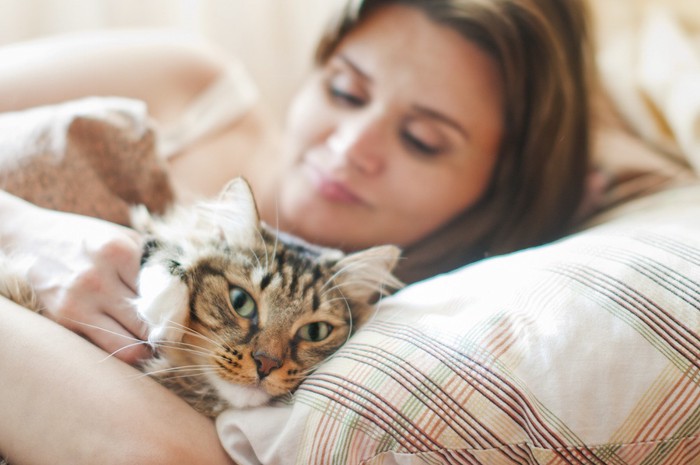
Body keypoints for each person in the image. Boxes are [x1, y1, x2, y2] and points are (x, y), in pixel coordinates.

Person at [0, 0, 595, 463]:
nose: (347, 147)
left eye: (423, 140)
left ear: (503, 187)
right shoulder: (192, 83)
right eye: (346, 90)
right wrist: (23, 231)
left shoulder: (403, 337)